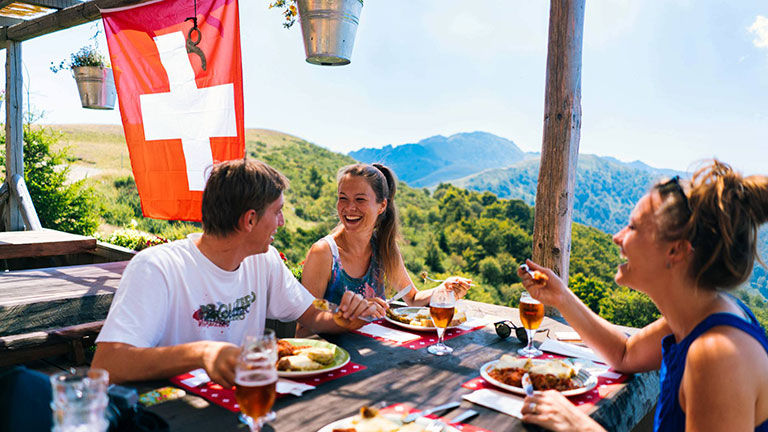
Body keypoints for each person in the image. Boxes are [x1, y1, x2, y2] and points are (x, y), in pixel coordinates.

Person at [517, 160, 768, 432]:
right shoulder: (698, 316)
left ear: (676, 251)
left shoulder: (718, 354)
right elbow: (624, 353)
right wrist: (561, 297)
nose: (617, 237)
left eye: (633, 227)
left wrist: (580, 426)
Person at [92, 159, 377, 387]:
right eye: (277, 212)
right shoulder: (157, 267)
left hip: (240, 404)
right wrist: (202, 353)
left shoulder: (265, 260)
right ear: (250, 220)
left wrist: (344, 318)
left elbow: (313, 314)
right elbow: (107, 365)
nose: (282, 222)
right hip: (174, 413)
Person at [300, 163, 472, 323]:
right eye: (343, 198)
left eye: (360, 199)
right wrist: (354, 312)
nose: (349, 207)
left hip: (379, 351)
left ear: (382, 206)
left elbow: (412, 299)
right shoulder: (323, 253)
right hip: (337, 354)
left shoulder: (384, 248)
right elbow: (306, 324)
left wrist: (443, 288)